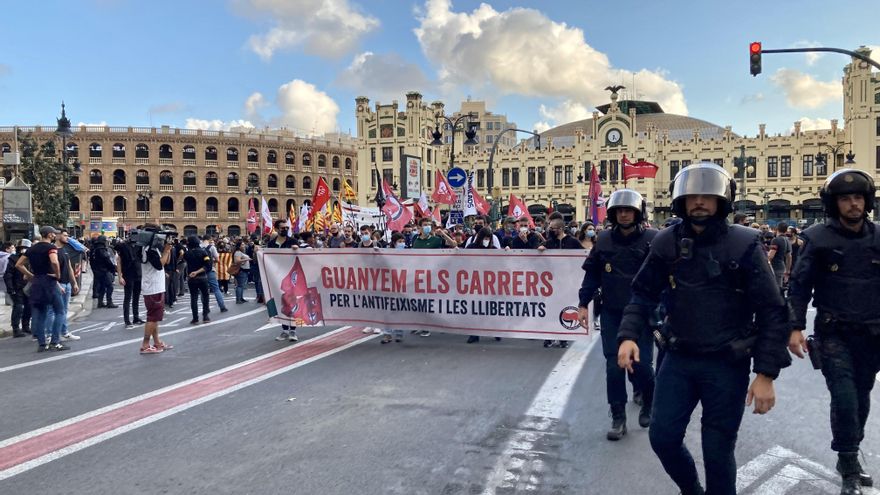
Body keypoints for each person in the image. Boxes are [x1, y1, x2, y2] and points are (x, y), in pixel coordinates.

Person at [617, 162, 790, 495]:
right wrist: (627, 335)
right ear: (681, 200)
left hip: (726, 363)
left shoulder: (746, 245)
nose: (699, 202)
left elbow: (772, 310)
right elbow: (642, 293)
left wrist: (766, 374)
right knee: (663, 437)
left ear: (721, 200)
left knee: (717, 449)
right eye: (692, 196)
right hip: (678, 358)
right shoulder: (665, 242)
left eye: (707, 197)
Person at [788, 168, 880, 495]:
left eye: (858, 198)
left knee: (861, 398)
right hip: (832, 334)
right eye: (845, 198)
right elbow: (799, 286)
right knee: (844, 398)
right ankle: (850, 466)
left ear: (866, 201)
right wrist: (795, 326)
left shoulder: (879, 237)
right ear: (834, 203)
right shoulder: (817, 237)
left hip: (872, 336)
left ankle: (850, 452)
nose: (853, 204)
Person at [575, 190, 656, 440]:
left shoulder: (654, 240)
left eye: (628, 210)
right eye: (619, 210)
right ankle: (618, 416)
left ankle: (649, 402)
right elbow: (592, 275)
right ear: (612, 213)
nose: (623, 214)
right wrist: (582, 304)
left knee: (642, 366)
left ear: (638, 212)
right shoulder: (604, 240)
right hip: (612, 312)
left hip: (642, 314)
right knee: (613, 366)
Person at [17, 226, 69, 352]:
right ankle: (55, 342)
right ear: (50, 235)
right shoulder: (51, 248)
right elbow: (54, 262)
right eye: (54, 234)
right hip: (49, 282)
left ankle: (41, 344)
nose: (55, 236)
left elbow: (18, 264)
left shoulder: (32, 249)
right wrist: (57, 275)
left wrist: (31, 276)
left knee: (41, 314)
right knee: (60, 311)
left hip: (37, 282)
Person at [539, 213, 583, 348]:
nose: (550, 231)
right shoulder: (549, 242)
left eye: (552, 228)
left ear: (560, 228)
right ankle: (550, 336)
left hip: (567, 282)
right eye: (549, 228)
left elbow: (582, 256)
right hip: (551, 283)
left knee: (565, 309)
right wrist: (541, 249)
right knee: (551, 309)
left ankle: (563, 336)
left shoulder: (572, 242)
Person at [410, 217, 457, 337]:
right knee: (418, 301)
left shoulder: (436, 239)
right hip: (418, 274)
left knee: (428, 301)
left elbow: (454, 244)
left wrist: (443, 234)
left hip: (433, 274)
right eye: (425, 225)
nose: (427, 227)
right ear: (419, 227)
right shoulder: (415, 239)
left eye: (429, 225)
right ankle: (420, 325)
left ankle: (428, 326)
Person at [139, 224, 174, 354]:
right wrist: (165, 251)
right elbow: (159, 265)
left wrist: (167, 250)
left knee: (155, 317)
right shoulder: (150, 250)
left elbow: (166, 262)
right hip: (153, 288)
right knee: (153, 317)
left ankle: (157, 342)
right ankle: (145, 344)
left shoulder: (151, 248)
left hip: (154, 286)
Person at [464, 227, 502, 344]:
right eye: (485, 238)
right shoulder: (471, 248)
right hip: (475, 282)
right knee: (475, 309)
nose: (486, 240)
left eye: (488, 238)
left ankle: (495, 331)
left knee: (490, 308)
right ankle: (474, 334)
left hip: (489, 283)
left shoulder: (493, 249)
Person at [267, 220, 299, 342]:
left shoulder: (293, 242)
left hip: (291, 277)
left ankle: (293, 331)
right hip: (276, 278)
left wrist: (297, 249)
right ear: (276, 229)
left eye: (287, 227)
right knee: (281, 304)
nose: (285, 229)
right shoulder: (271, 243)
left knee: (292, 303)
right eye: (282, 228)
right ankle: (285, 330)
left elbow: (301, 257)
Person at [49, 229, 81, 341]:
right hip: (58, 284)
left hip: (67, 284)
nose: (67, 237)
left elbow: (69, 268)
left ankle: (64, 331)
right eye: (65, 235)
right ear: (57, 236)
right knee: (54, 311)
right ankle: (50, 334)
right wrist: (57, 283)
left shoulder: (64, 250)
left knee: (64, 310)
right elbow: (50, 268)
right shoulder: (52, 251)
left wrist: (74, 283)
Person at [116, 232, 144, 329]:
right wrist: (120, 276)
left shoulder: (139, 246)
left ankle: (136, 317)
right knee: (128, 298)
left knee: (136, 297)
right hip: (128, 274)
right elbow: (119, 261)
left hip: (138, 274)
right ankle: (127, 320)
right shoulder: (123, 246)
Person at [5, 239, 31, 338]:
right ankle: (16, 329)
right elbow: (8, 275)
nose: (23, 250)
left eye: (26, 248)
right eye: (22, 248)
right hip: (17, 287)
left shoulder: (30, 259)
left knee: (29, 307)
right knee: (18, 307)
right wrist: (11, 288)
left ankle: (26, 326)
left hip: (28, 287)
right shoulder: (13, 259)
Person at [184, 235, 212, 324]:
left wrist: (193, 272)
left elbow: (184, 260)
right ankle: (205, 316)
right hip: (202, 277)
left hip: (191, 278)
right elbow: (208, 266)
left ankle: (195, 318)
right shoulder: (204, 252)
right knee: (205, 296)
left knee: (193, 297)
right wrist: (197, 271)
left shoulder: (187, 253)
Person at [90, 235, 117, 308]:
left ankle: (100, 302)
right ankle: (109, 302)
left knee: (102, 287)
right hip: (104, 271)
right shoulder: (102, 250)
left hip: (97, 271)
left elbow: (91, 261)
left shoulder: (93, 249)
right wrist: (113, 268)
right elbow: (107, 260)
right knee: (110, 286)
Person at [767, 221, 791, 293]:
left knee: (775, 289)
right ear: (786, 230)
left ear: (777, 229)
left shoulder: (776, 240)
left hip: (774, 267)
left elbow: (771, 256)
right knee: (779, 287)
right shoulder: (787, 240)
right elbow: (789, 257)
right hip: (782, 266)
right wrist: (787, 270)